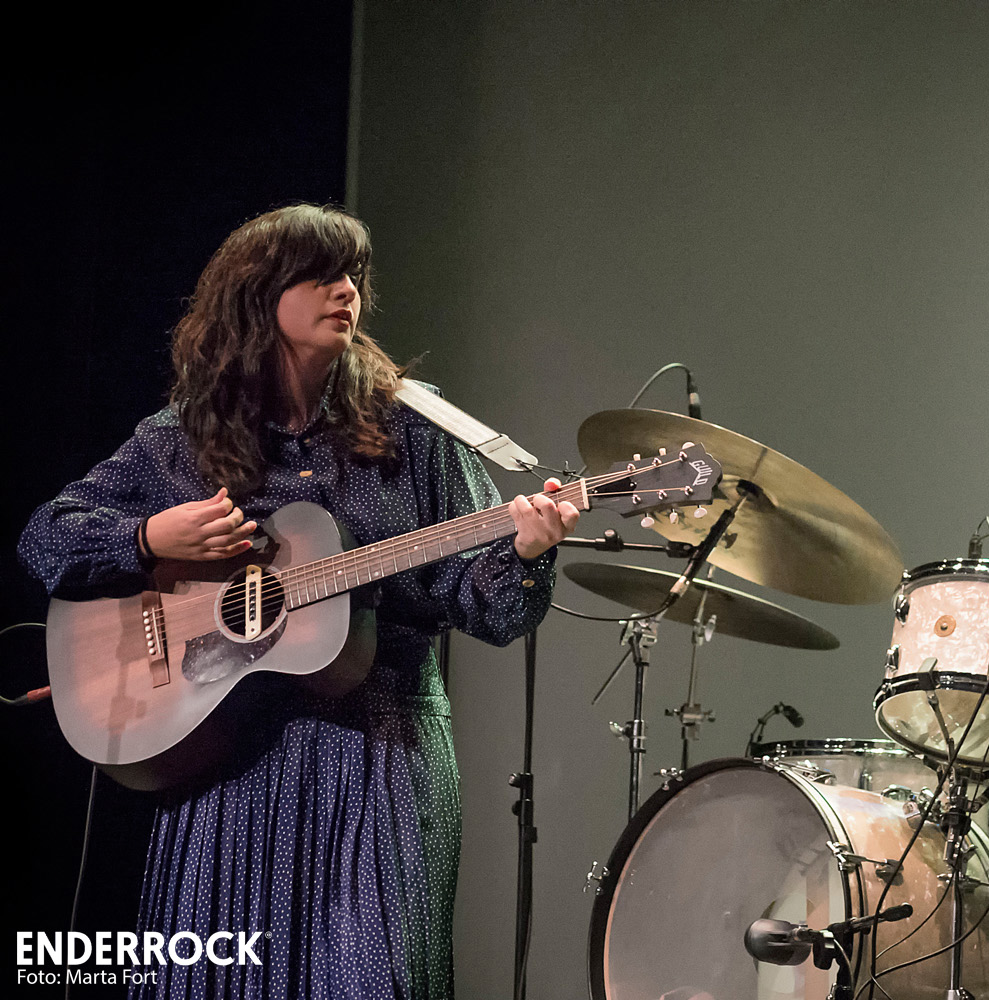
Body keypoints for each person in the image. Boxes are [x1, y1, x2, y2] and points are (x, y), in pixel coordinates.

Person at [18, 203, 579, 998]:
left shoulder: (415, 428)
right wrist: (148, 538)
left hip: (381, 749)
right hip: (222, 759)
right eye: (319, 275)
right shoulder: (179, 438)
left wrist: (524, 553)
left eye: (352, 275)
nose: (345, 291)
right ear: (257, 295)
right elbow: (47, 538)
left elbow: (485, 608)